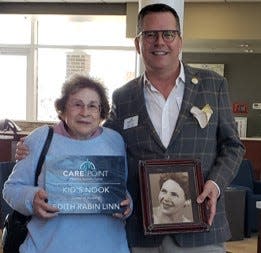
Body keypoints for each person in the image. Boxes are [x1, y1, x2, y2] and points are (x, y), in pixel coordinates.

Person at [15, 3, 245, 253]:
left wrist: (215, 184)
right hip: (141, 232)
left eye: (168, 34)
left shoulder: (213, 84)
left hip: (200, 228)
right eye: (150, 34)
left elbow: (233, 146)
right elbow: (96, 139)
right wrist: (39, 145)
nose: (160, 41)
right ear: (138, 43)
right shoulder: (124, 96)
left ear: (179, 41)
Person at [3, 74, 132, 253]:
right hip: (47, 247)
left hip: (108, 246)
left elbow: (121, 188)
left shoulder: (115, 141)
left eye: (92, 106)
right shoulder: (41, 139)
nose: (85, 112)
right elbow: (11, 189)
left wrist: (127, 205)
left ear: (101, 112)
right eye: (77, 104)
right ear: (63, 109)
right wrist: (32, 199)